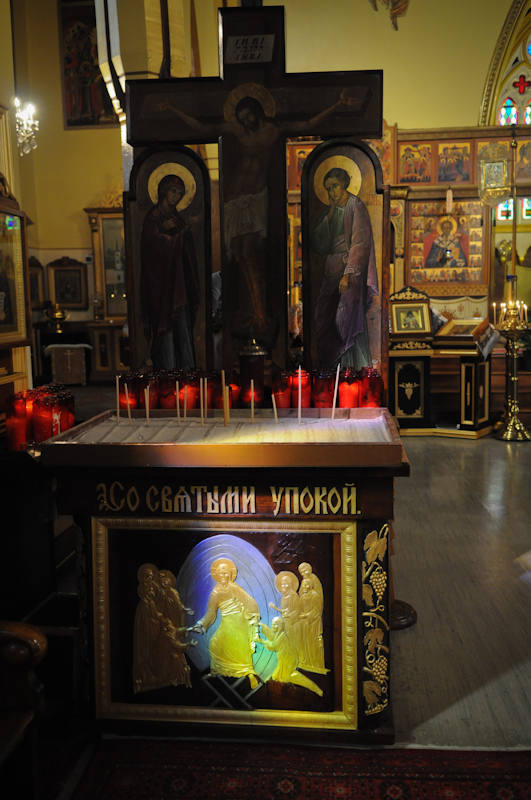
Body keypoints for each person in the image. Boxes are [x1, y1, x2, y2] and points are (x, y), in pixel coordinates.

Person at [154, 87, 351, 343]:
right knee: (239, 256)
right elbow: (203, 128)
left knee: (251, 255)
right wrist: (173, 109)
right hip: (234, 202)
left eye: (249, 116)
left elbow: (307, 124)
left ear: (258, 111)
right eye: (242, 118)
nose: (246, 122)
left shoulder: (273, 130)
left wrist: (337, 104)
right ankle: (254, 313)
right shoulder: (238, 130)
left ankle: (260, 315)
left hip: (255, 199)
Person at [311, 167, 379, 370]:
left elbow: (360, 242)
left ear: (345, 184)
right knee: (323, 314)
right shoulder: (329, 211)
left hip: (351, 273)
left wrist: (347, 275)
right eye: (328, 188)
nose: (332, 192)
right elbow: (319, 245)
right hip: (331, 270)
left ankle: (352, 367)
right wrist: (331, 213)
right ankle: (331, 369)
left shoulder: (356, 206)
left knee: (346, 317)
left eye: (335, 186)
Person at [140, 174, 200, 370]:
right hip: (162, 286)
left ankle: (187, 371)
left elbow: (186, 250)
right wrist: (183, 232)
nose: (176, 196)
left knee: (182, 327)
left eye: (180, 193)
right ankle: (168, 370)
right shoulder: (153, 217)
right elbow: (155, 245)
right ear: (163, 191)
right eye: (173, 191)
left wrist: (183, 230)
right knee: (165, 328)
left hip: (180, 284)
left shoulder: (176, 218)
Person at [197, 559, 260, 689]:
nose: (223, 576)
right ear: (217, 575)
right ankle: (215, 671)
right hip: (227, 621)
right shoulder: (215, 592)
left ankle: (250, 674)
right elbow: (211, 612)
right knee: (215, 644)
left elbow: (248, 600)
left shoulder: (234, 587)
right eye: (220, 573)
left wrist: (253, 615)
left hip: (239, 620)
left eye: (226, 573)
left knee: (241, 647)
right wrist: (201, 623)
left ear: (230, 575)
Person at [256, 617, 323, 697]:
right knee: (276, 676)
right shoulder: (279, 635)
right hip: (285, 660)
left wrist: (261, 641)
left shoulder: (282, 636)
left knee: (285, 677)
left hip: (289, 660)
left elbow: (274, 647)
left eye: (275, 625)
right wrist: (263, 628)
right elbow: (273, 643)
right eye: (272, 624)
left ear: (280, 626)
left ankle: (314, 687)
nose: (272, 626)